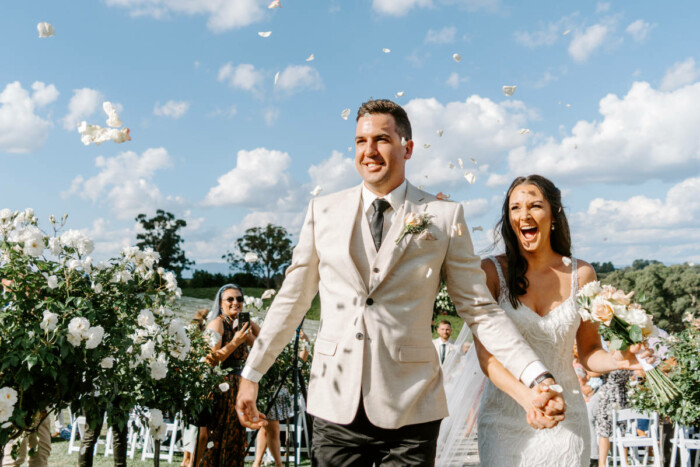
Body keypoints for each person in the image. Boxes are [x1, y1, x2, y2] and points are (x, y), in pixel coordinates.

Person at [236, 99, 566, 466]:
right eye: (361, 141)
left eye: (381, 139)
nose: (369, 151)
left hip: (413, 406)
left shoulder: (443, 216)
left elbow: (480, 309)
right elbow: (292, 299)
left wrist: (536, 375)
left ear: (407, 148)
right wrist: (253, 372)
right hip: (334, 404)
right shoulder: (322, 211)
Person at [471, 175, 654, 466]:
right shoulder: (491, 273)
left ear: (554, 214)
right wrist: (529, 399)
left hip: (566, 419)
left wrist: (620, 361)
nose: (524, 215)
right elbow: (488, 358)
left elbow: (590, 352)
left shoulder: (582, 274)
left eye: (535, 206)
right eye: (515, 208)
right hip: (504, 418)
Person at [198, 285, 260, 467]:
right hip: (220, 388)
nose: (235, 303)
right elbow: (210, 359)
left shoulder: (240, 325)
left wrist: (249, 328)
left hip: (238, 388)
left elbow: (264, 344)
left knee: (235, 439)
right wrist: (235, 342)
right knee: (217, 437)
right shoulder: (217, 324)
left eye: (239, 299)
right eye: (230, 299)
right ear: (220, 303)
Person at [181, 309, 209, 467]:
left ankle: (191, 461)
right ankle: (189, 461)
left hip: (202, 391)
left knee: (197, 432)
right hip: (193, 392)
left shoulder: (206, 345)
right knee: (192, 430)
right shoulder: (189, 348)